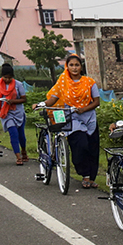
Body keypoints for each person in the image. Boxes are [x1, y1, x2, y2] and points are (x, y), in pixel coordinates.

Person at [43, 53, 101, 188]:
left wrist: (84, 109)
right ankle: (84, 174)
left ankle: (91, 178)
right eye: (71, 65)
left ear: (81, 67)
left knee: (92, 148)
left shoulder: (89, 82)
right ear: (67, 67)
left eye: (77, 65)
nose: (74, 68)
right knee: (80, 145)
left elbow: (96, 102)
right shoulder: (63, 82)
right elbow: (53, 98)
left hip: (89, 117)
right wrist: (42, 104)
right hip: (72, 117)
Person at [0, 63, 28, 165]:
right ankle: (18, 156)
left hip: (18, 113)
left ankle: (24, 150)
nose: (7, 80)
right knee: (13, 133)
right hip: (6, 113)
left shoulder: (18, 84)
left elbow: (24, 99)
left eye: (9, 78)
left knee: (21, 135)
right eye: (5, 77)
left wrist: (13, 101)